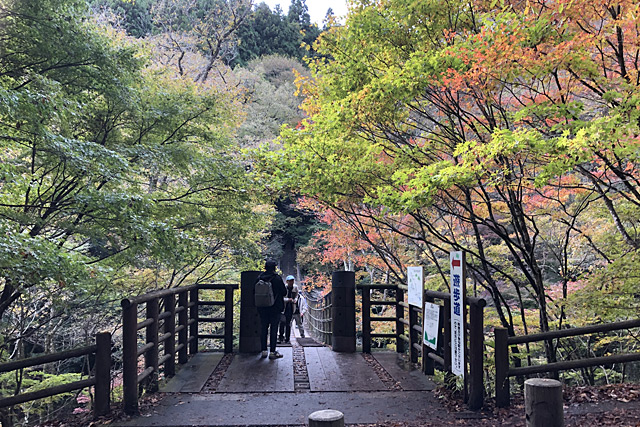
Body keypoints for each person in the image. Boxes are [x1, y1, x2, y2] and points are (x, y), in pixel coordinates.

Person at [256, 260, 286, 359]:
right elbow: (284, 292)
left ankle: (264, 350)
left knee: (263, 328)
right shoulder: (277, 278)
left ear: (265, 267)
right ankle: (272, 352)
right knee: (274, 329)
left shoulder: (259, 278)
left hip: (262, 307)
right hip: (275, 307)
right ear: (274, 268)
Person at [278, 275, 299, 343]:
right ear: (287, 281)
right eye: (290, 281)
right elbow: (281, 298)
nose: (291, 282)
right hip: (283, 307)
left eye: (292, 281)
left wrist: (295, 300)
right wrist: (288, 300)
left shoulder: (295, 288)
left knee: (288, 323)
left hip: (291, 308)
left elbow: (296, 296)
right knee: (282, 322)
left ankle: (287, 338)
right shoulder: (283, 288)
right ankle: (281, 337)